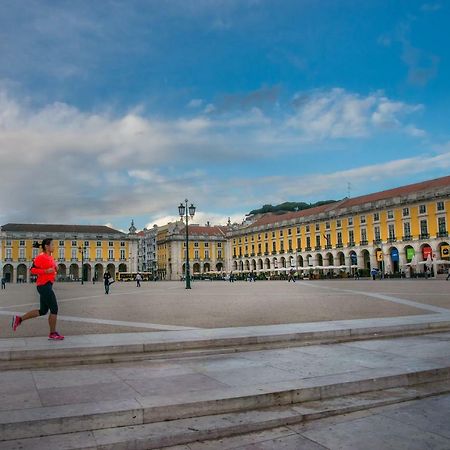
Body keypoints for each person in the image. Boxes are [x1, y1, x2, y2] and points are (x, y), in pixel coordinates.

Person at [11, 239, 64, 340]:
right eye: (52, 245)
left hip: (47, 285)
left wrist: (55, 269)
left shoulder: (50, 257)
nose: (54, 246)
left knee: (43, 311)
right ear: (46, 246)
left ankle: (19, 319)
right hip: (44, 286)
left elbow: (53, 269)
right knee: (54, 308)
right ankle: (52, 333)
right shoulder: (41, 257)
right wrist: (46, 271)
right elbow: (32, 270)